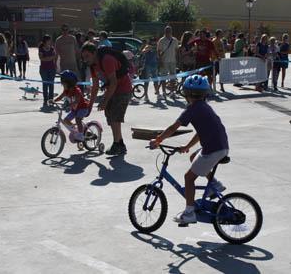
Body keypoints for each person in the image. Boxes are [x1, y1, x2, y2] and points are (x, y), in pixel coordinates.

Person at [149, 75, 229, 224]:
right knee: (193, 157)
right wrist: (187, 147)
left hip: (212, 149)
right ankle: (214, 184)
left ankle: (189, 213)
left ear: (186, 93)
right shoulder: (204, 107)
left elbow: (173, 127)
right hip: (220, 147)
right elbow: (200, 132)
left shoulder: (192, 109)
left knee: (188, 178)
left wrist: (158, 140)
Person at [81, 42, 132, 155]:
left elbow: (113, 82)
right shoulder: (93, 66)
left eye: (87, 56)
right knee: (110, 116)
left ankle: (117, 144)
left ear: (94, 53)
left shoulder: (106, 60)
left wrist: (105, 101)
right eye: (83, 57)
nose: (85, 60)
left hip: (123, 89)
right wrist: (89, 106)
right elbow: (95, 86)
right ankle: (120, 144)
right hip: (112, 90)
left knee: (115, 117)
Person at [50, 70, 90, 142]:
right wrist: (53, 101)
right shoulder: (66, 91)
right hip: (75, 110)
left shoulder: (77, 90)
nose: (62, 85)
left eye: (64, 83)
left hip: (83, 108)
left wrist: (69, 105)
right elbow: (60, 97)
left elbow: (77, 100)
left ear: (69, 83)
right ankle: (76, 130)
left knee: (78, 119)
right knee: (66, 120)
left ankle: (80, 135)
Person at [157, 26, 179, 100]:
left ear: (171, 31)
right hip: (164, 61)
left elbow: (176, 50)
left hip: (173, 61)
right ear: (164, 32)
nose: (168, 32)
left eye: (169, 31)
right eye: (167, 31)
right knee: (164, 77)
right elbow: (159, 51)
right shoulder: (161, 40)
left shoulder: (175, 40)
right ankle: (163, 92)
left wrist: (177, 60)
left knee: (173, 77)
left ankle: (172, 92)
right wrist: (160, 61)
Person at [38, 35, 57, 109]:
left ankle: (51, 100)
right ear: (45, 41)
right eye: (49, 40)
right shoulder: (41, 49)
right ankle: (45, 100)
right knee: (45, 85)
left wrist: (48, 58)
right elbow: (41, 59)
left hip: (52, 69)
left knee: (51, 85)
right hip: (44, 69)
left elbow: (55, 57)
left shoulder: (52, 48)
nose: (50, 41)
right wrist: (50, 58)